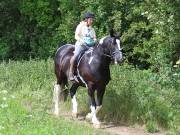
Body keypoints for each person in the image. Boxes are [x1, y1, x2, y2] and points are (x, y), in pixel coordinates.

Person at [69, 12, 97, 81]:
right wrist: (82, 41)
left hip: (90, 46)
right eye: (91, 19)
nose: (92, 21)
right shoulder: (80, 26)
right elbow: (76, 36)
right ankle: (71, 73)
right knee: (76, 56)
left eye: (92, 20)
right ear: (86, 19)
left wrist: (95, 40)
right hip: (81, 44)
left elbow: (94, 37)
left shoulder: (92, 29)